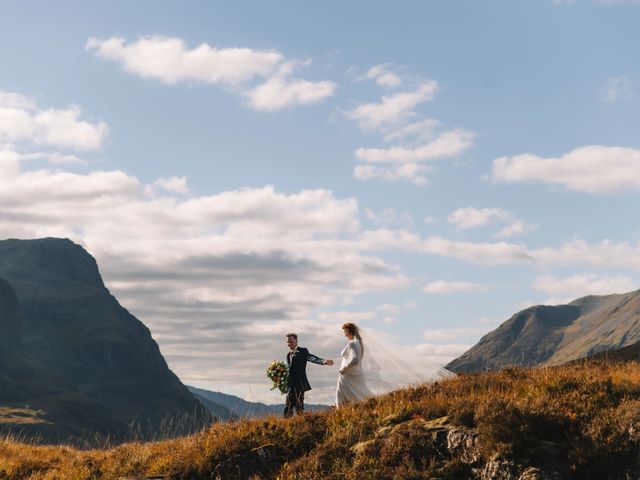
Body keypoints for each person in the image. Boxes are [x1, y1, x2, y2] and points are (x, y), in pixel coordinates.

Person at [284, 332, 333, 417]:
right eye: (288, 342)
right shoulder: (288, 355)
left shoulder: (303, 351)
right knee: (289, 406)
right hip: (291, 385)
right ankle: (289, 424)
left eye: (291, 341)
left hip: (300, 384)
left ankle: (304, 423)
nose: (289, 344)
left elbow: (311, 357)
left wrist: (322, 361)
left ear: (296, 341)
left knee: (298, 407)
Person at [335, 322, 372, 408]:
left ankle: (343, 414)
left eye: (345, 333)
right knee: (359, 395)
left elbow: (355, 359)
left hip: (347, 376)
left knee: (341, 397)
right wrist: (333, 362)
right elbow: (347, 358)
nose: (345, 335)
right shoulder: (359, 343)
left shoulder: (353, 343)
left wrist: (344, 369)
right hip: (356, 374)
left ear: (349, 332)